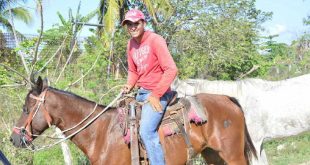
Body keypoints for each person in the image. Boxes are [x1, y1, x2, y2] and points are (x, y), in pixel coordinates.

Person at [121, 9, 178, 165]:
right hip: (141, 92)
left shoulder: (155, 40)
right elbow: (133, 71)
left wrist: (156, 94)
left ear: (143, 23)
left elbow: (172, 69)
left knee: (146, 131)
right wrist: (129, 85)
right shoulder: (130, 44)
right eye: (129, 24)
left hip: (159, 93)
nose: (132, 27)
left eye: (136, 23)